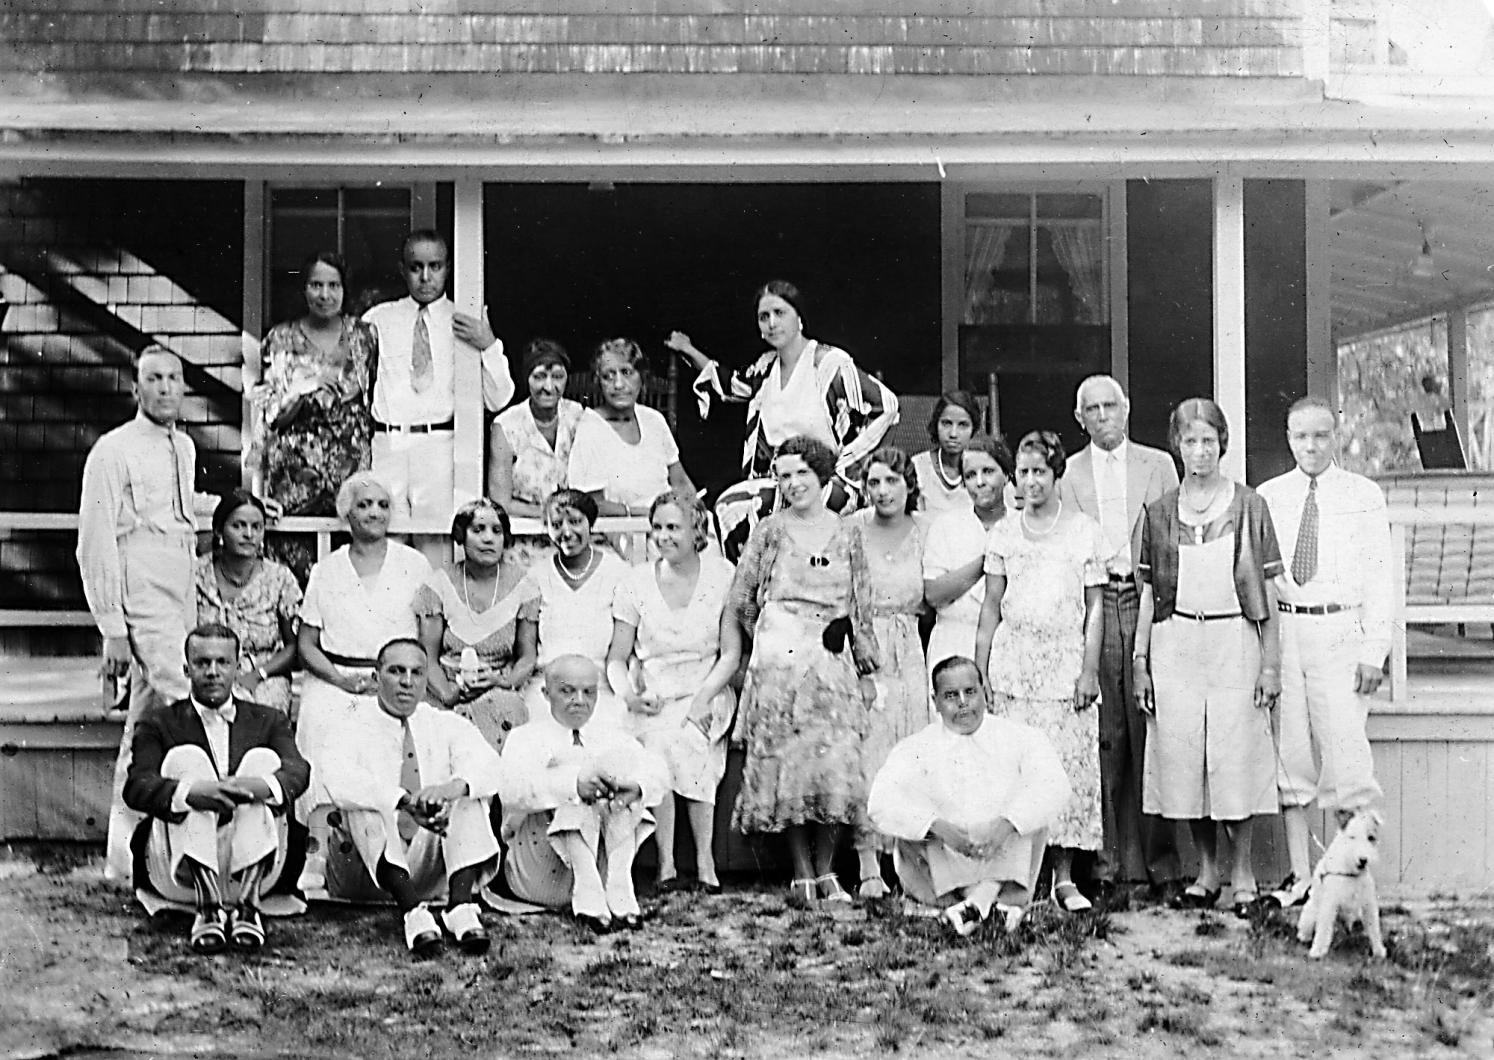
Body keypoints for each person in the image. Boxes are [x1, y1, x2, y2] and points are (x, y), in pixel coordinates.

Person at [1133, 398, 1284, 918]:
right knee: (1185, 761)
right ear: (1176, 445)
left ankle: (1242, 873)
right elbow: (1149, 597)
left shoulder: (1249, 506)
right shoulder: (1156, 514)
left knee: (1233, 757)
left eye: (1209, 440)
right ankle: (1206, 871)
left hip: (1233, 643)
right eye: (1190, 440)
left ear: (1223, 443)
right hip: (1175, 644)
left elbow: (1266, 592)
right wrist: (1140, 664)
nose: (1200, 451)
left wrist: (1270, 664)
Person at [78, 345, 218, 880]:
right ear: (135, 390)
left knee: (143, 722)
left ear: (184, 388)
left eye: (174, 378)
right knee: (186, 701)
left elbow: (182, 507)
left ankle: (124, 854)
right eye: (152, 379)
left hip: (180, 582)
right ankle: (191, 849)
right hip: (140, 586)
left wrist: (234, 506)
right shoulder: (112, 452)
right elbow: (94, 542)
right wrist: (112, 627)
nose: (164, 388)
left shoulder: (182, 445)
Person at [728, 435, 880, 904]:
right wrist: (775, 641)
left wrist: (857, 658)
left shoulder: (848, 531)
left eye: (802, 474)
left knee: (833, 764)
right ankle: (801, 872)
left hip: (830, 661)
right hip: (780, 665)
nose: (793, 484)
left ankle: (828, 870)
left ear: (823, 477)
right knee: (788, 767)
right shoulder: (769, 531)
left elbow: (861, 602)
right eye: (784, 475)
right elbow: (743, 600)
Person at [1257, 396, 1389, 911]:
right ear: (1288, 439)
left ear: (1337, 437)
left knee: (1346, 757)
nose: (1310, 447)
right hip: (1289, 630)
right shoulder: (1270, 496)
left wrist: (1373, 650)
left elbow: (1380, 577)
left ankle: (1348, 877)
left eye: (1320, 436)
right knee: (1291, 756)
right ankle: (1300, 877)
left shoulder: (1363, 494)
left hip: (1340, 630)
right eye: (1300, 437)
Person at [1056, 374, 1184, 901]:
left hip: (1147, 596)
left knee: (1151, 730)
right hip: (1095, 603)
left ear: (1127, 410)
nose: (1104, 415)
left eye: (1112, 405)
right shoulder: (1067, 474)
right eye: (1093, 408)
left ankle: (1164, 866)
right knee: (1105, 735)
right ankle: (1104, 868)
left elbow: (1173, 539)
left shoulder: (1159, 465)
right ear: (1079, 418)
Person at [667, 280, 899, 557]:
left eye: (780, 313)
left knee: (737, 508)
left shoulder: (829, 363)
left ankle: (756, 588)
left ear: (799, 317)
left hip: (829, 484)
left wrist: (845, 464)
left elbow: (886, 406)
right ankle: (756, 591)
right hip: (779, 480)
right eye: (764, 317)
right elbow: (732, 385)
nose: (772, 323)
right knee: (725, 509)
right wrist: (689, 349)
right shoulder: (765, 367)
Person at [974, 431, 1106, 913]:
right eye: (1023, 472)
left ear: (1056, 475)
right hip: (1014, 665)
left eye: (1039, 472)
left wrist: (1088, 671)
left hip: (1064, 666)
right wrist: (982, 670)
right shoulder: (1004, 533)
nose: (1030, 482)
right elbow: (991, 607)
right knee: (1014, 772)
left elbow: (1095, 609)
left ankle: (1065, 878)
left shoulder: (1083, 531)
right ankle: (1017, 879)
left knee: (1066, 768)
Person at [123, 624, 310, 954]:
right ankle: (208, 907)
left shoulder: (268, 720)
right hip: (180, 874)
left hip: (255, 871)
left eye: (223, 663)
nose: (213, 672)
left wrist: (256, 786)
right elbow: (137, 787)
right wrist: (191, 794)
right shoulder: (159, 723)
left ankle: (249, 909)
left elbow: (298, 772)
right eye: (202, 663)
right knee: (186, 758)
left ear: (238, 667)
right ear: (186, 669)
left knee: (263, 760)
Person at [317, 638, 503, 958]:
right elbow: (337, 780)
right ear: (376, 678)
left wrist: (448, 791)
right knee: (368, 803)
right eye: (396, 671)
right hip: (364, 870)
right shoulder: (348, 723)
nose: (407, 682)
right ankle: (413, 914)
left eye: (417, 673)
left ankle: (460, 907)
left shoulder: (440, 722)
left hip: (425, 862)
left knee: (468, 791)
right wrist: (404, 801)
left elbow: (490, 766)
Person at [867, 657, 1071, 936]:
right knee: (912, 827)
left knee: (1029, 812)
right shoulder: (917, 747)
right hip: (944, 865)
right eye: (951, 696)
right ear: (935, 701)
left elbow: (1055, 785)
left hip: (1003, 852)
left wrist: (1007, 824)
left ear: (984, 692)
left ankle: (974, 907)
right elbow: (880, 801)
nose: (963, 702)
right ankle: (988, 906)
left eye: (970, 692)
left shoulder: (1019, 737)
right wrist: (937, 827)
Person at [606, 491, 740, 893]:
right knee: (660, 742)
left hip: (707, 687)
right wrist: (629, 695)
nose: (663, 537)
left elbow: (731, 653)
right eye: (657, 528)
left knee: (692, 741)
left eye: (673, 528)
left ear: (697, 530)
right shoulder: (635, 583)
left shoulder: (722, 575)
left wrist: (702, 700)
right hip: (654, 695)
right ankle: (664, 864)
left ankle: (704, 862)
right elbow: (616, 657)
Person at [499, 655, 669, 934]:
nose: (579, 700)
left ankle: (619, 887)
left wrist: (635, 787)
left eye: (588, 692)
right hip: (541, 870)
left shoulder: (608, 734)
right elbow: (511, 791)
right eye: (567, 691)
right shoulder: (526, 738)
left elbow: (659, 772)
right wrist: (573, 784)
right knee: (577, 775)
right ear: (546, 693)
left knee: (621, 772)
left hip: (601, 870)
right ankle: (589, 893)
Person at [361, 229, 515, 531]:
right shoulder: (378, 320)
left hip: (438, 448)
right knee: (387, 538)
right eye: (416, 267)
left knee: (435, 543)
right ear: (402, 270)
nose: (425, 277)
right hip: (387, 444)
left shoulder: (462, 319)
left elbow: (499, 398)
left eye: (435, 266)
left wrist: (488, 345)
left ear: (448, 267)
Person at [297, 472, 430, 808]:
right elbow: (307, 644)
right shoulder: (326, 570)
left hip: (397, 680)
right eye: (365, 505)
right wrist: (341, 680)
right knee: (321, 727)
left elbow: (428, 638)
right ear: (347, 513)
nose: (375, 513)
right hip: (336, 681)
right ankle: (322, 833)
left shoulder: (414, 564)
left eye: (383, 505)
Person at [850, 447, 931, 899]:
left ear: (909, 486)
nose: (883, 492)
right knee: (869, 753)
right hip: (865, 648)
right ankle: (867, 865)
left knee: (908, 751)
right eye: (874, 483)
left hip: (910, 649)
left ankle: (906, 861)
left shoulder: (925, 530)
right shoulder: (852, 530)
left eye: (893, 482)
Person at [251, 251, 377, 517]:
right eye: (316, 285)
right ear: (304, 289)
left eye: (334, 285)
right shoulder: (281, 339)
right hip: (295, 476)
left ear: (345, 289)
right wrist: (301, 388)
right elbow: (271, 416)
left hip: (351, 477)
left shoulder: (364, 338)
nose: (325, 295)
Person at [415, 499, 539, 754]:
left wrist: (503, 681)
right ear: (461, 535)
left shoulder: (524, 586)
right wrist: (448, 692)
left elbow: (527, 657)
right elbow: (427, 654)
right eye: (478, 530)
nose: (488, 539)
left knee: (506, 713)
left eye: (496, 531)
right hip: (446, 687)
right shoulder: (439, 584)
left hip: (497, 687)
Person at [523, 489, 630, 723]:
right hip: (547, 693)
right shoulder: (536, 577)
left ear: (590, 524)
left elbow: (621, 653)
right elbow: (527, 650)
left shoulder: (617, 573)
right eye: (557, 524)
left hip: (600, 691)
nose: (567, 532)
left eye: (575, 522)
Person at [194, 490, 302, 713]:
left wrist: (256, 676)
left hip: (263, 675)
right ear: (219, 530)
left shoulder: (279, 578)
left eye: (256, 527)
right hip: (207, 672)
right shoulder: (196, 575)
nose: (249, 534)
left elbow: (293, 646)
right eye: (239, 526)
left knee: (259, 717)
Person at [568, 337, 696, 518]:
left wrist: (693, 511)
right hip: (624, 529)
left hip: (668, 523)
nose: (618, 384)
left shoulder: (654, 420)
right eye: (608, 376)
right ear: (599, 383)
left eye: (627, 372)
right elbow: (592, 504)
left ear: (642, 377)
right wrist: (650, 514)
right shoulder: (591, 428)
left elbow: (681, 483)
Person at [922, 435, 1014, 682]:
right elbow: (933, 594)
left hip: (1009, 646)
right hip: (953, 641)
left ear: (1007, 475)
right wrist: (987, 561)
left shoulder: (1021, 526)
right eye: (971, 475)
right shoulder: (946, 526)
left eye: (988, 471)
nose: (980, 482)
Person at [488, 338, 587, 520]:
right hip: (525, 532)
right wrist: (547, 514)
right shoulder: (506, 426)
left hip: (574, 529)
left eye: (557, 377)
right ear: (526, 378)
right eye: (539, 377)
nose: (548, 387)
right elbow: (501, 501)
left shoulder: (578, 416)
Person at [911, 391, 980, 519]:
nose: (953, 433)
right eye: (946, 423)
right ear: (936, 424)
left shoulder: (981, 468)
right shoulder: (917, 467)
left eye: (963, 425)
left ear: (973, 429)